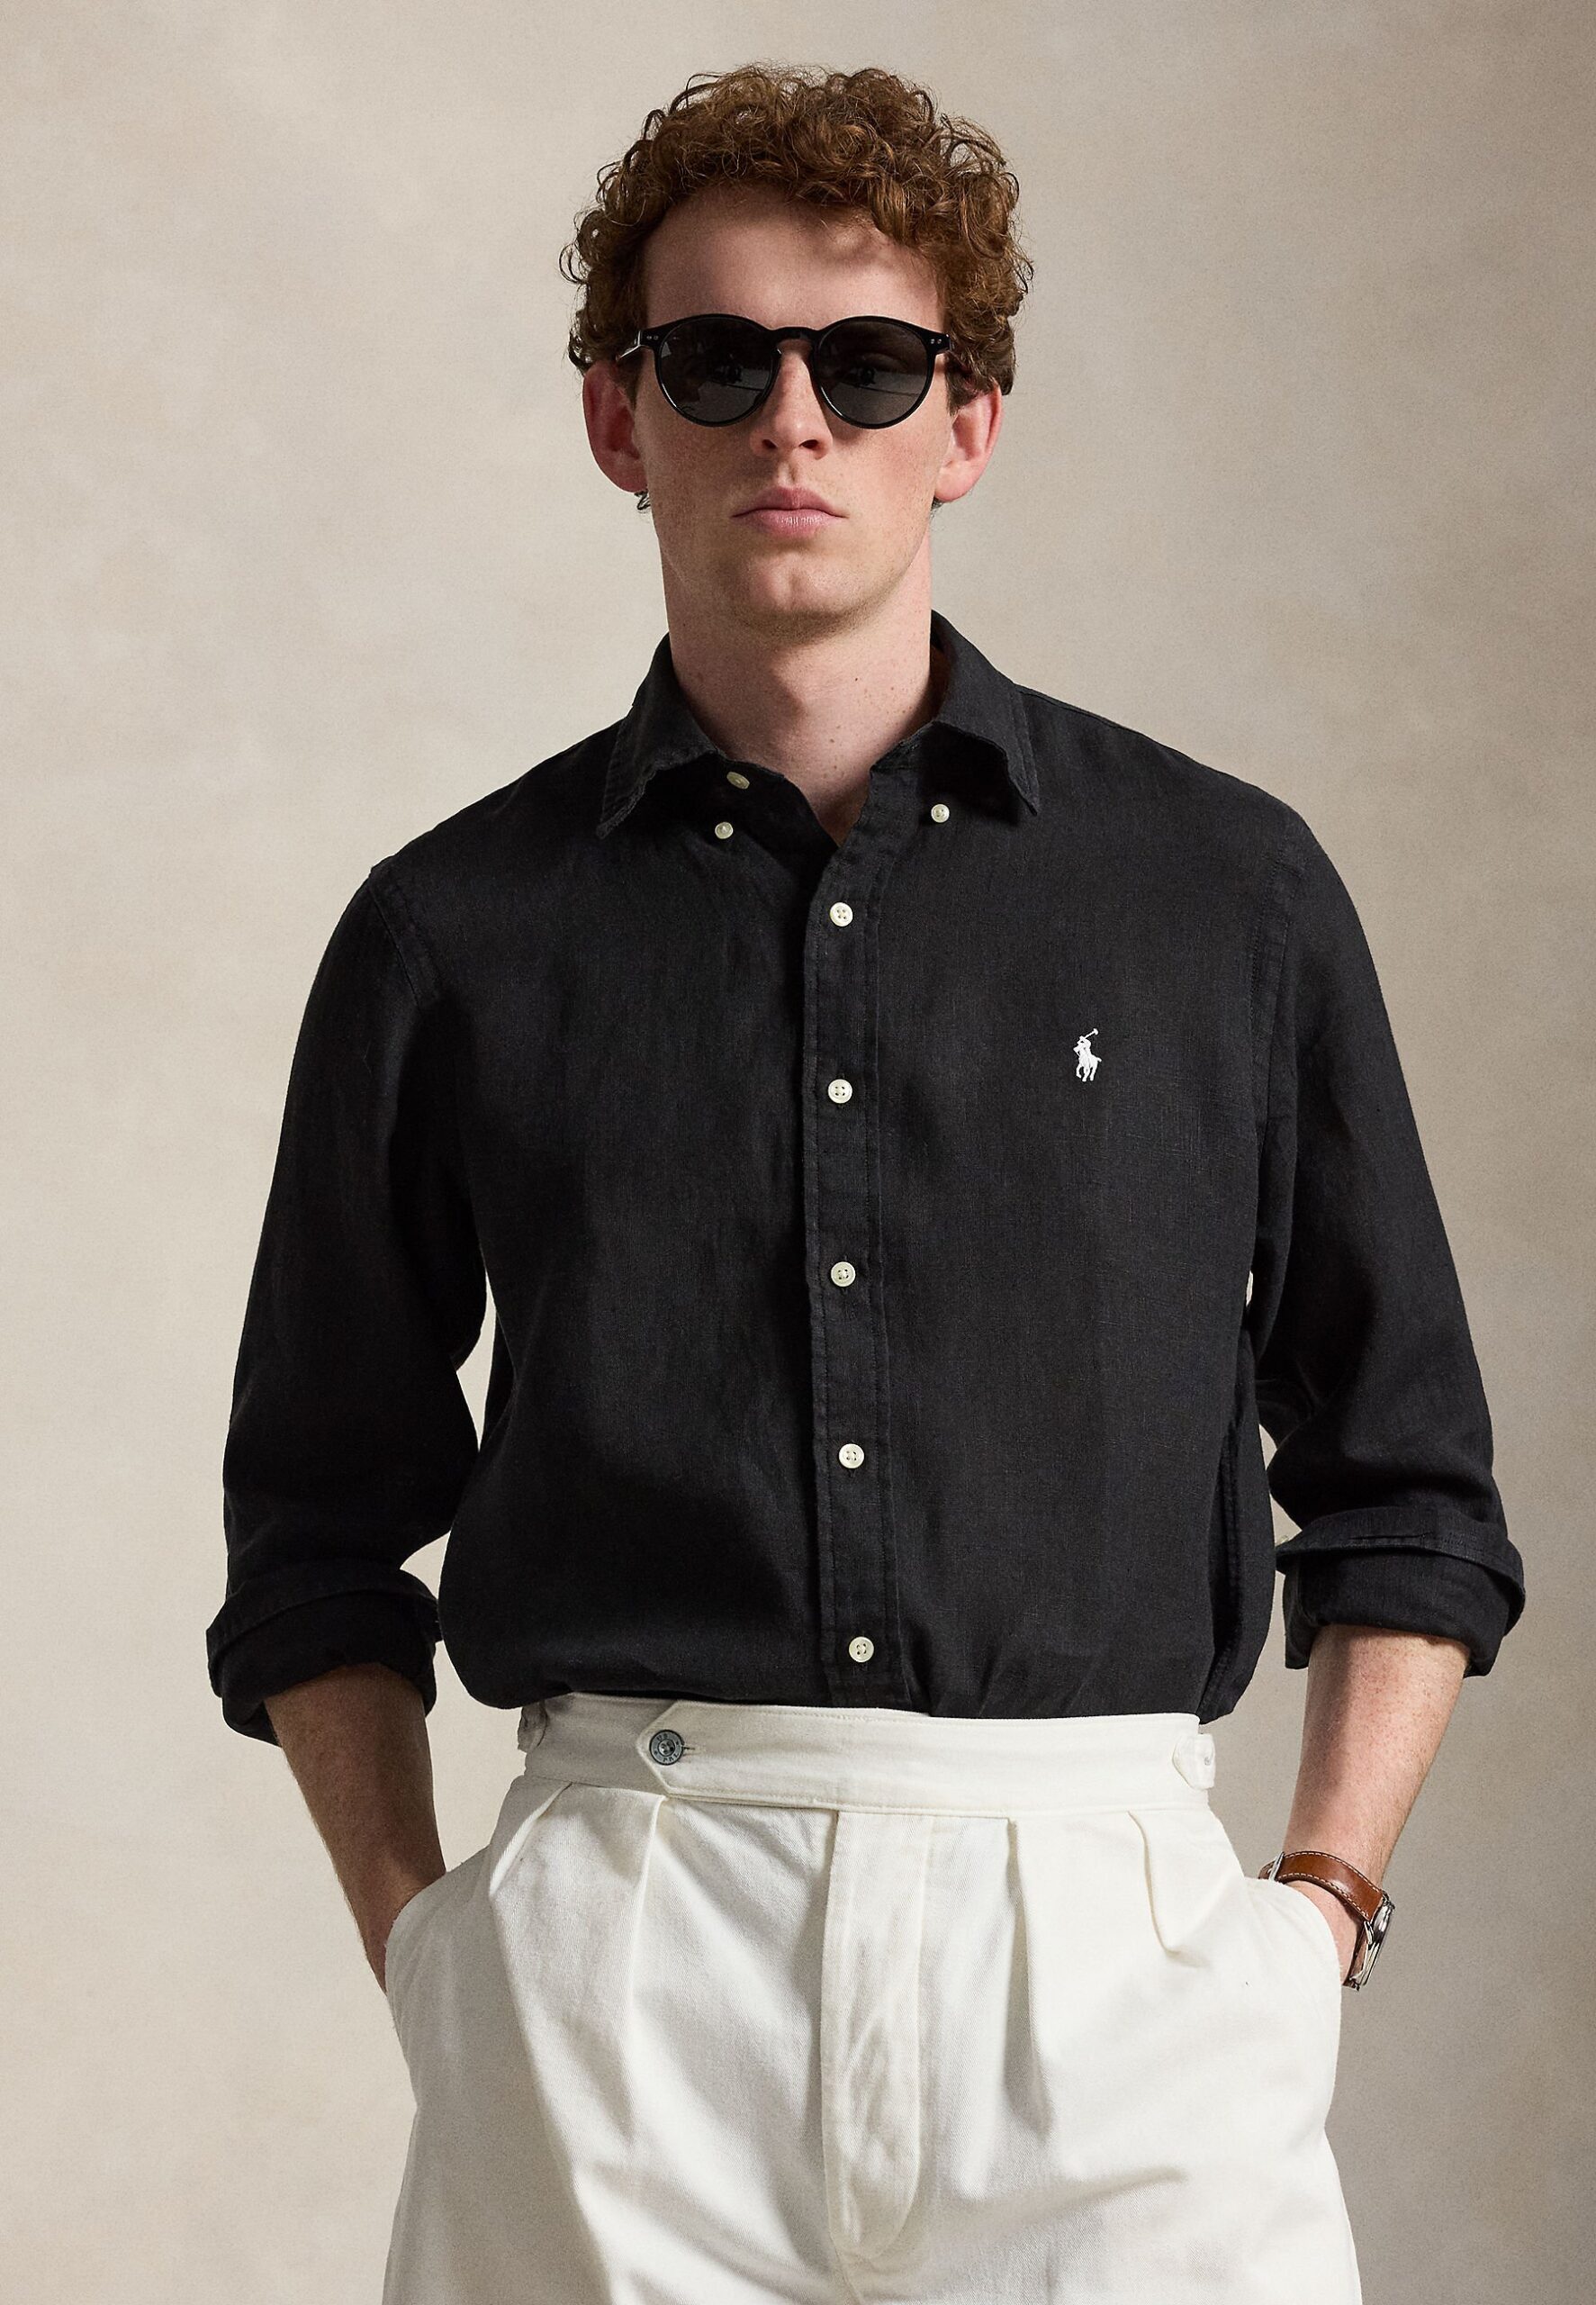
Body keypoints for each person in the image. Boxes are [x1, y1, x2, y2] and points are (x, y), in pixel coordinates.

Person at [205, 63, 1526, 2305]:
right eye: (716, 360)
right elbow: (314, 1521)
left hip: (1109, 1953)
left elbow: (1406, 1476)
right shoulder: (453, 930)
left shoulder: (1223, 895)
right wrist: (435, 1948)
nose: (792, 422)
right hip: (622, 1953)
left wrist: (1309, 1914)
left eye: (870, 364)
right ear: (618, 418)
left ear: (965, 421)